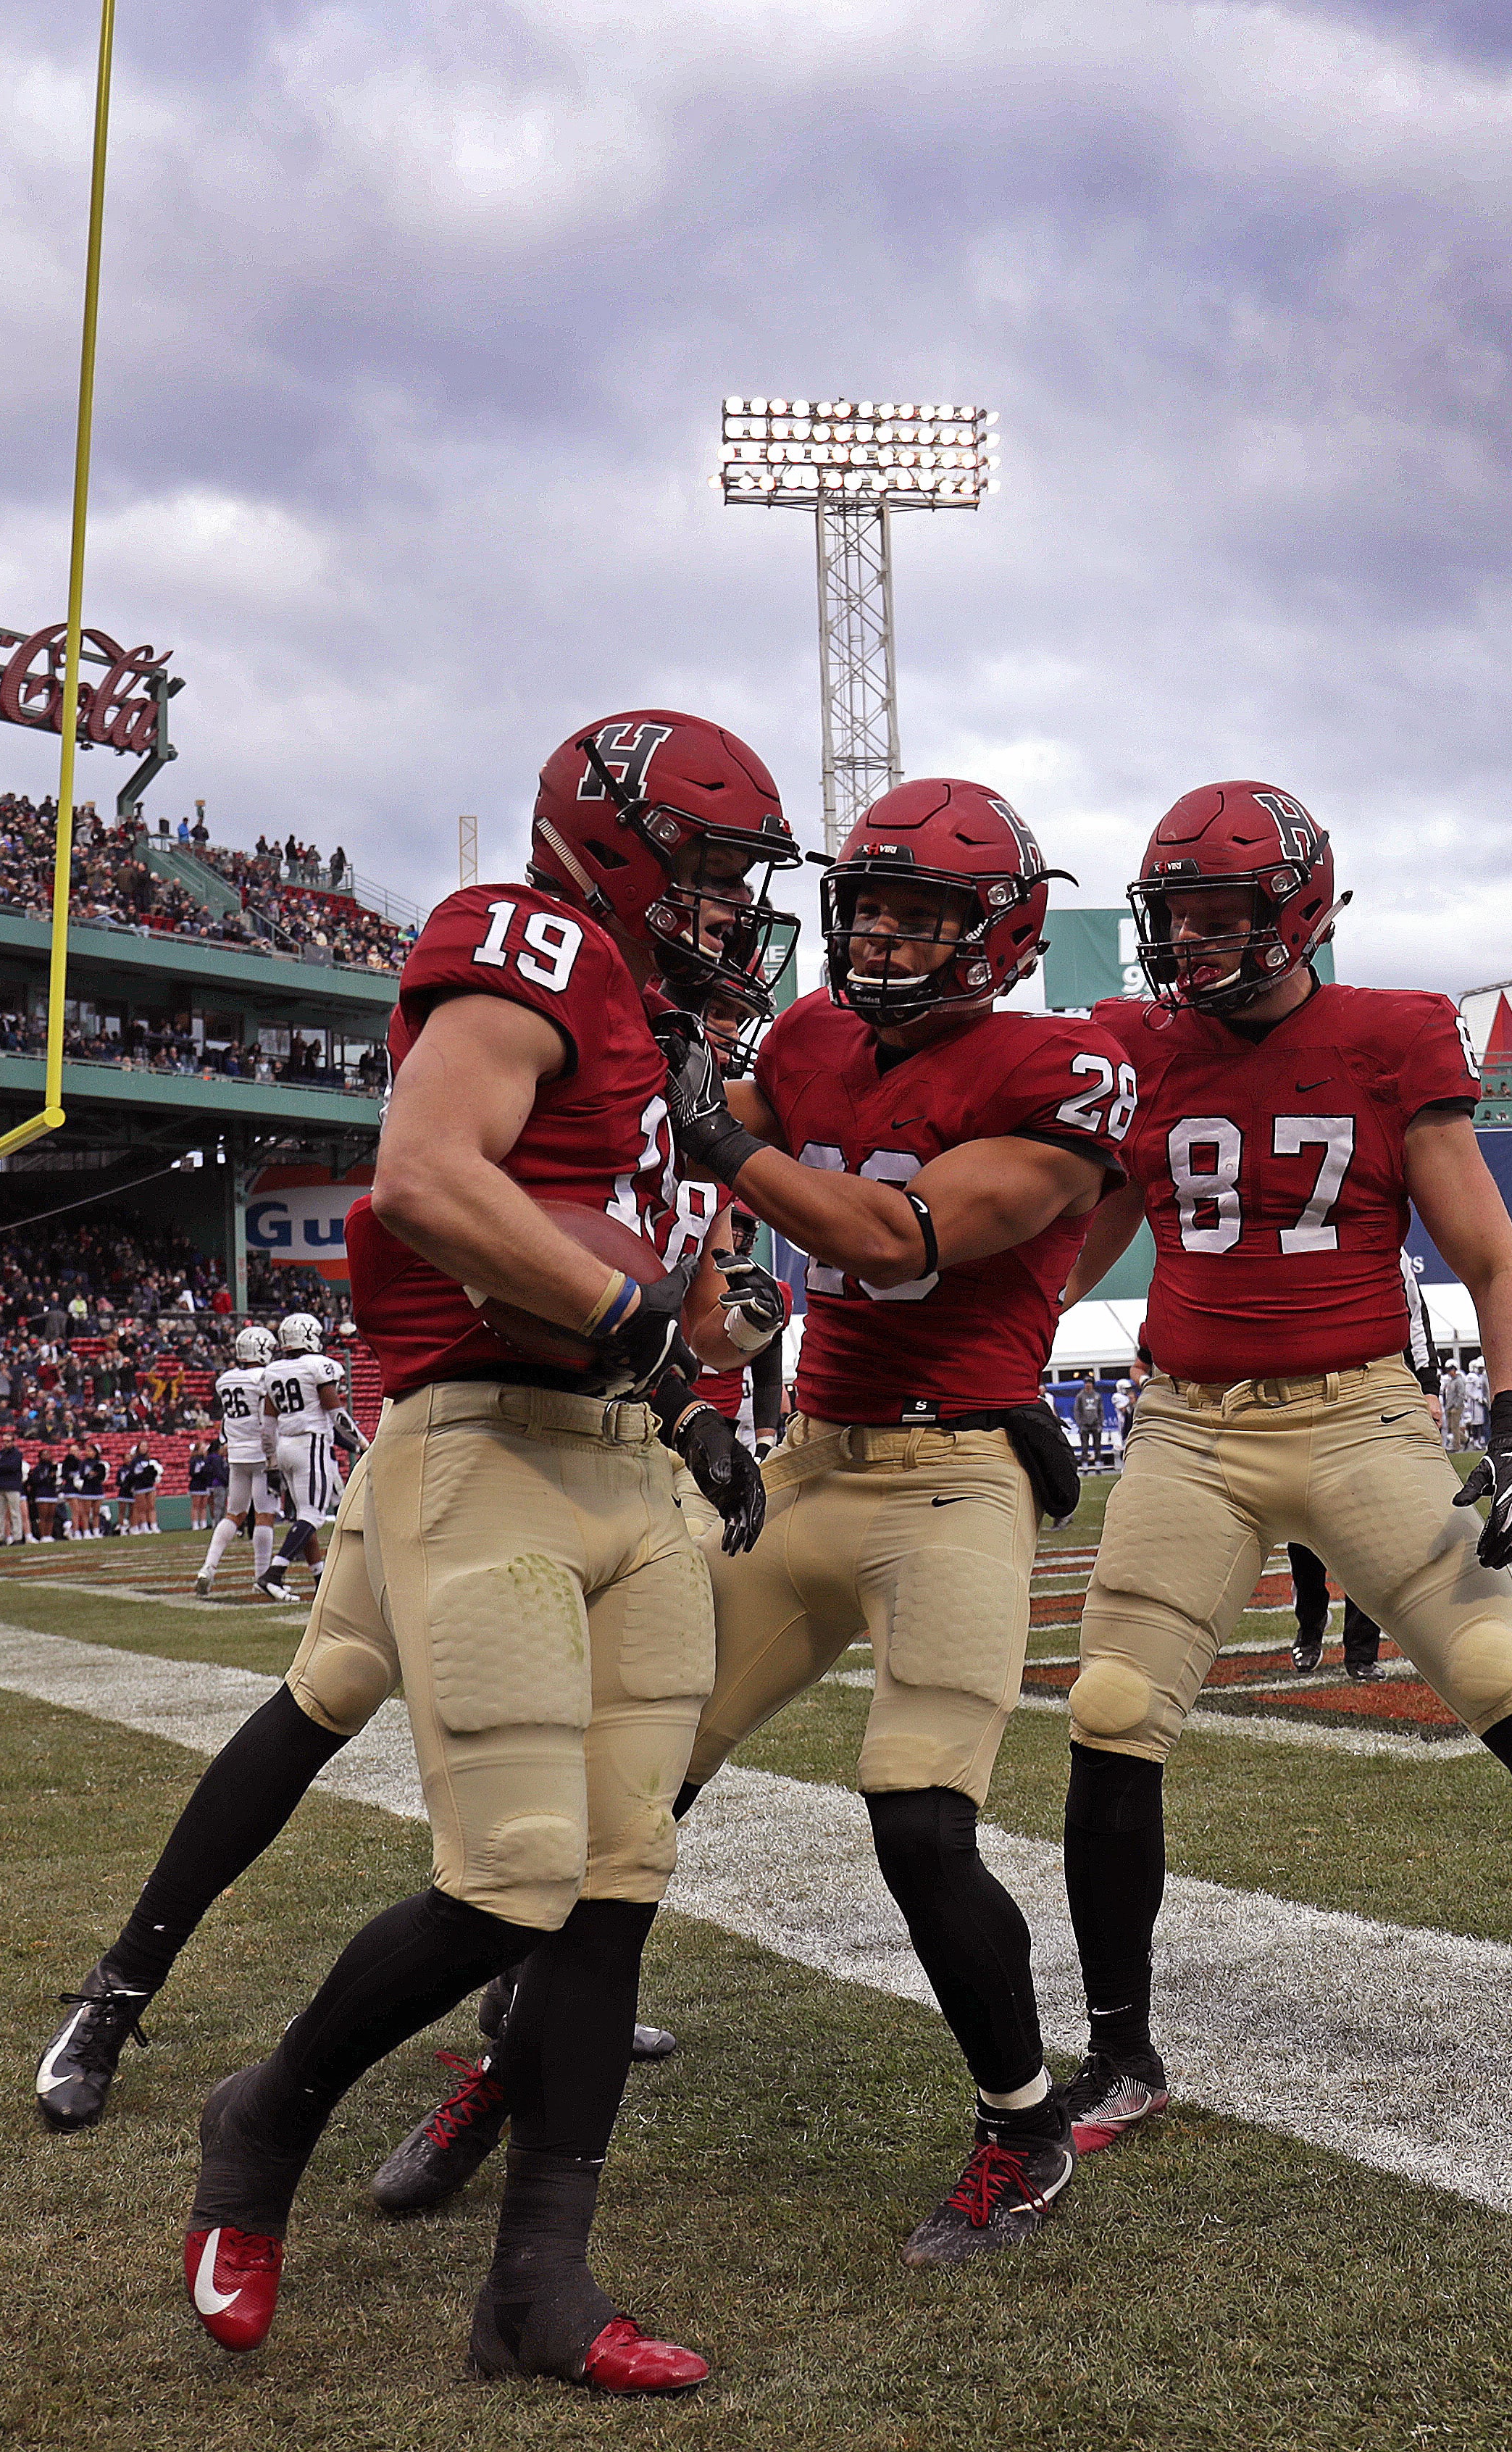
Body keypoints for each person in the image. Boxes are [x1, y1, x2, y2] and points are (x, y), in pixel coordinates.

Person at [162, 708, 792, 2390]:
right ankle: (264, 2115)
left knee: (610, 1891)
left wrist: (714, 1330)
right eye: (718, 872)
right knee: (508, 1873)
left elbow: (663, 1298)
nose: (735, 909)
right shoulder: (525, 941)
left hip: (623, 1470)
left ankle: (538, 2283)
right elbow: (430, 1175)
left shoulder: (669, 1036)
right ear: (626, 849)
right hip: (491, 1451)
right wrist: (631, 1312)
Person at [1053, 781, 1512, 2165]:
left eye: (1224, 917)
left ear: (1300, 913)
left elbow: (1497, 1258)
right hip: (1187, 1423)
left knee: (1504, 1682)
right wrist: (995, 1352)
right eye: (1180, 919)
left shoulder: (1389, 1032)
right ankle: (1118, 2043)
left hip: (1355, 1416)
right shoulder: (1135, 1047)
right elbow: (1083, 1236)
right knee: (1109, 1704)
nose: (1194, 944)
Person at [659, 775, 1125, 2267]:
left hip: (950, 1485)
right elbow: (713, 1184)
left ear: (1002, 931)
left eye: (927, 917)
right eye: (870, 912)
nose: (890, 941)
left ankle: (1024, 2126)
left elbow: (887, 1234)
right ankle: (525, 2035)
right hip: (810, 1466)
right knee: (630, 1766)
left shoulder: (1063, 1065)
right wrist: (719, 1305)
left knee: (921, 1826)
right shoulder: (804, 1039)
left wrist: (725, 1153)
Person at [260, 1313, 358, 1586]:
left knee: (306, 1514)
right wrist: (361, 1442)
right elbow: (336, 1414)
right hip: (310, 1444)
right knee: (313, 1515)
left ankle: (320, 1578)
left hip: (285, 1446)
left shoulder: (274, 1370)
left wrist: (271, 1462)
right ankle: (274, 1573)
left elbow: (267, 1426)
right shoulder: (319, 1365)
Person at [196, 1324, 280, 1597]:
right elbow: (270, 1415)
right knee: (264, 1514)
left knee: (235, 1514)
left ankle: (209, 1567)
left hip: (237, 1453)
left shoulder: (226, 1379)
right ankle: (261, 1577)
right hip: (261, 1451)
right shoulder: (265, 1376)